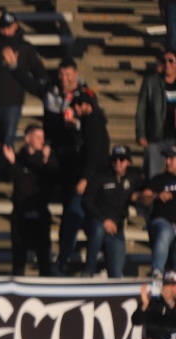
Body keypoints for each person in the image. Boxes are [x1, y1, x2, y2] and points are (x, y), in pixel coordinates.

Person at [0, 10, 48, 180]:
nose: (6, 30)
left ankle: (7, 174)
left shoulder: (26, 48)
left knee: (8, 142)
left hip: (12, 103)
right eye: (3, 27)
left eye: (9, 26)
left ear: (16, 26)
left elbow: (41, 74)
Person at [55, 89, 111, 274]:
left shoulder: (93, 123)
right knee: (87, 222)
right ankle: (93, 264)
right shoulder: (90, 123)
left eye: (79, 105)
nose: (76, 109)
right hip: (93, 180)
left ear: (87, 105)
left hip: (90, 181)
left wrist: (85, 178)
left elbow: (94, 154)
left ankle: (64, 262)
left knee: (74, 218)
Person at [4, 124, 57, 276]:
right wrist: (12, 163)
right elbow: (8, 178)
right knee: (18, 259)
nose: (42, 141)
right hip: (21, 216)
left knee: (43, 259)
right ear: (28, 138)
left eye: (43, 137)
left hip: (40, 215)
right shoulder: (18, 158)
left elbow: (53, 180)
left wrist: (47, 160)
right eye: (38, 137)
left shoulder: (47, 159)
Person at [82, 145, 143, 278]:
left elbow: (146, 190)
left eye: (122, 159)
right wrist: (103, 219)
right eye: (115, 159)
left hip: (116, 227)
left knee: (116, 272)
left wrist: (139, 196)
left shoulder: (134, 176)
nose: (118, 163)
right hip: (96, 220)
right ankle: (88, 270)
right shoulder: (100, 176)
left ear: (128, 162)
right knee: (98, 230)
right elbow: (87, 201)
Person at [136, 49, 176, 179]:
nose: (167, 64)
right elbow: (142, 109)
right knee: (153, 176)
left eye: (171, 61)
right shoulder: (151, 82)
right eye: (164, 61)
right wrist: (141, 134)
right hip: (155, 137)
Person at [141, 147, 176, 276]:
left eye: (171, 158)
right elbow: (144, 198)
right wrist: (157, 195)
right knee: (166, 231)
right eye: (167, 158)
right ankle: (157, 271)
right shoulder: (159, 179)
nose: (167, 162)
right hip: (161, 222)